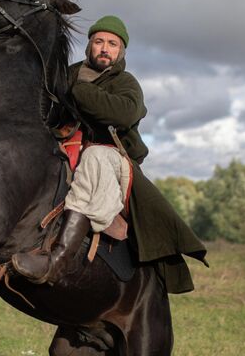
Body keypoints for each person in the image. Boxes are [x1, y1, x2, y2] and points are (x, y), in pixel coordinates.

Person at [12, 16, 207, 293]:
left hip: (115, 160)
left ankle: (59, 259)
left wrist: (78, 89)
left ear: (121, 51)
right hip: (68, 150)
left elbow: (122, 114)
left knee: (96, 156)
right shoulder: (68, 73)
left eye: (112, 44)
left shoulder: (126, 83)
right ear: (89, 46)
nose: (105, 48)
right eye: (99, 41)